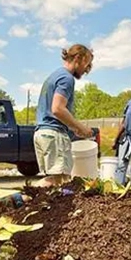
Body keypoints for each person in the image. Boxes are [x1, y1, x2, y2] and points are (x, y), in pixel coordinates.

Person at [33, 44, 94, 187]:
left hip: (42, 132)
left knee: (54, 181)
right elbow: (57, 109)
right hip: (54, 135)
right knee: (58, 180)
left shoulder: (55, 75)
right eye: (87, 64)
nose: (87, 69)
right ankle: (18, 199)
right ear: (78, 58)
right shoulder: (67, 78)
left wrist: (73, 128)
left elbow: (52, 111)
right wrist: (82, 127)